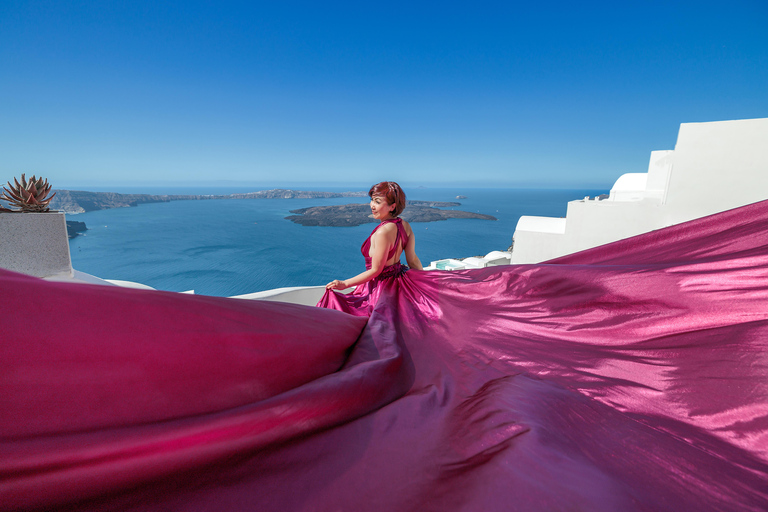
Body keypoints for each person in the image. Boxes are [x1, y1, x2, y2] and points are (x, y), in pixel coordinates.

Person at [318, 181, 422, 316]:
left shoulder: (382, 233)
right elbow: (412, 259)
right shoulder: (405, 226)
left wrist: (345, 284)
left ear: (392, 206)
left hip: (381, 289)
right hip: (400, 283)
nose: (372, 205)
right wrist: (424, 283)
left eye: (378, 202)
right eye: (372, 200)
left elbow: (376, 270)